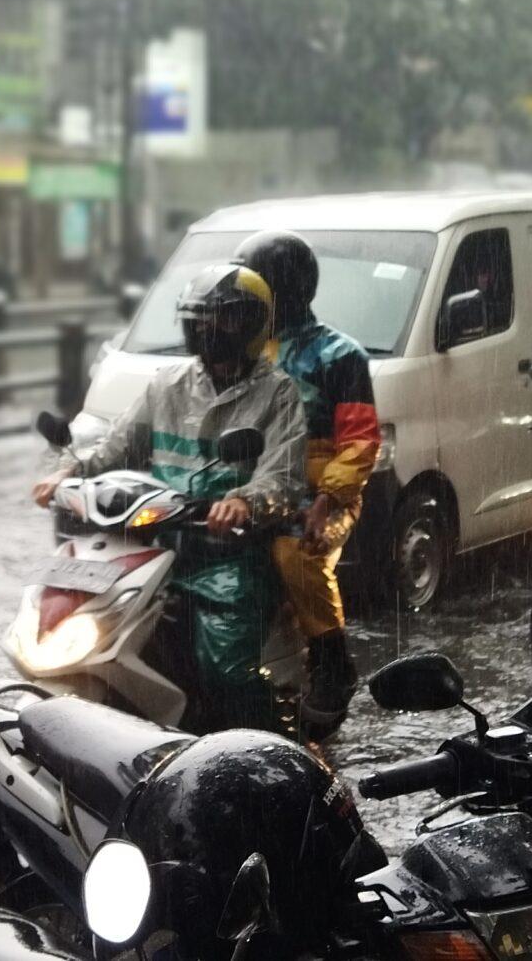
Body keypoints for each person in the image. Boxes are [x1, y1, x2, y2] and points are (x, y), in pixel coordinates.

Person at [33, 263, 307, 734]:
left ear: (252, 323)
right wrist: (68, 471)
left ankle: (268, 749)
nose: (208, 329)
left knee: (224, 668)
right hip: (155, 544)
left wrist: (244, 501)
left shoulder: (277, 394)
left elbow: (282, 476)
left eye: (222, 319)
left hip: (228, 555)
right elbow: (115, 448)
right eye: (200, 319)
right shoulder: (167, 385)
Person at [231, 230, 375, 742]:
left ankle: (333, 661)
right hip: (260, 484)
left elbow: (359, 441)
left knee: (298, 552)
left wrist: (325, 500)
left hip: (323, 493)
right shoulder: (247, 352)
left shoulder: (341, 356)